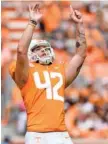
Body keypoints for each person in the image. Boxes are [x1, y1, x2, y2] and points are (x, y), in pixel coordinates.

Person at [9, 3, 87, 144]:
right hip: (38, 134)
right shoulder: (25, 72)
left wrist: (79, 26)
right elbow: (21, 50)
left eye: (45, 48)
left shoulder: (59, 69)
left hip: (62, 133)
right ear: (31, 54)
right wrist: (32, 22)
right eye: (39, 49)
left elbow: (80, 56)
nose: (44, 51)